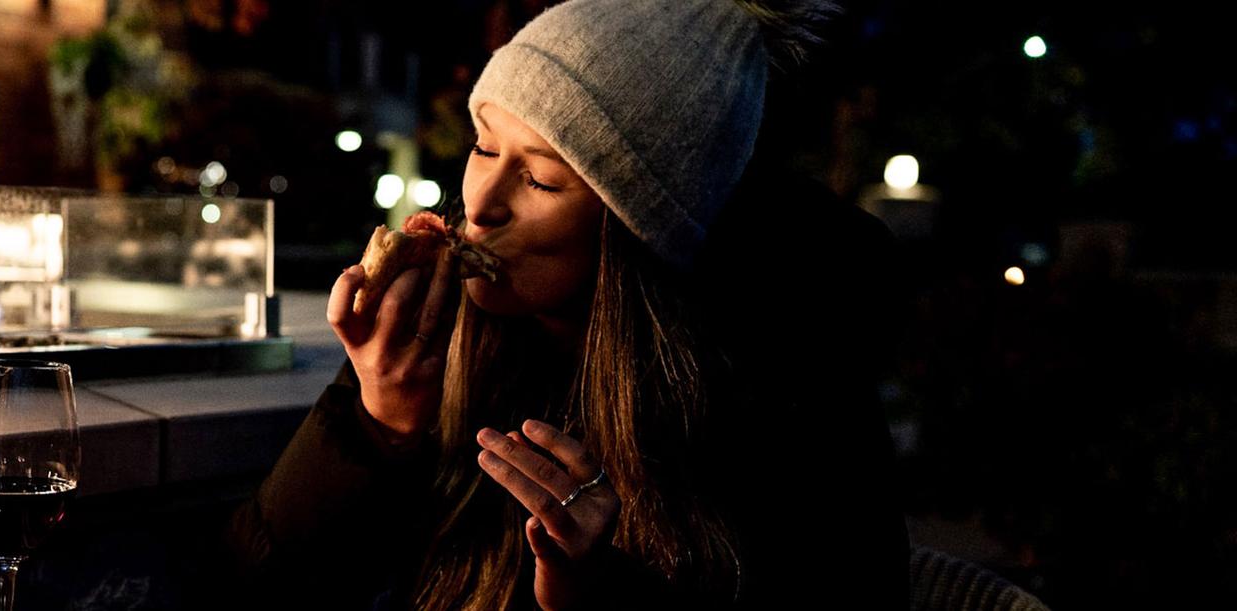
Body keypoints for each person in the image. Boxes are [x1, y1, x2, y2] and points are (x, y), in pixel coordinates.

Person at [227, 0, 909, 608]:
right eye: (484, 145)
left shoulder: (779, 396)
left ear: (635, 232)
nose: (479, 203)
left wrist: (601, 594)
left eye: (543, 181)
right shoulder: (426, 338)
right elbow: (246, 587)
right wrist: (378, 425)